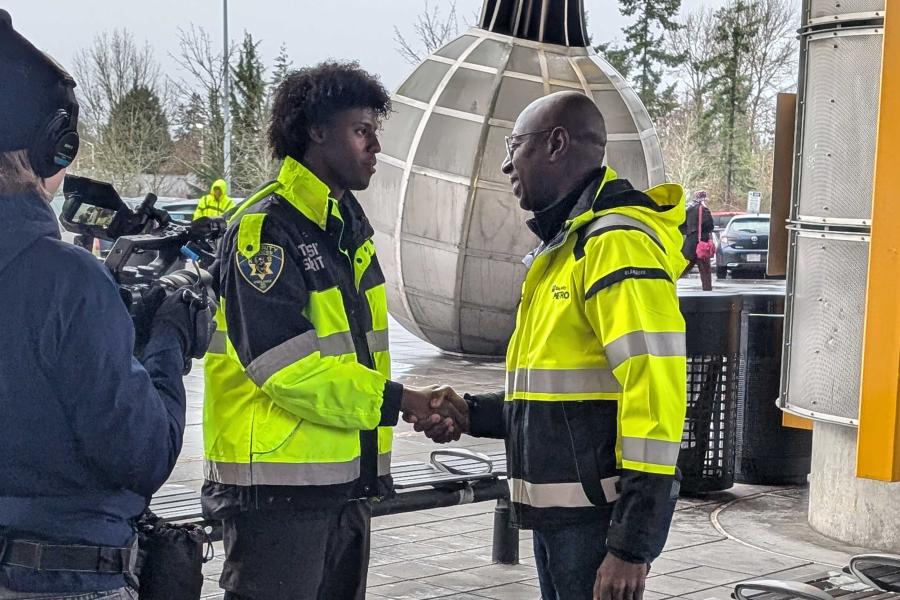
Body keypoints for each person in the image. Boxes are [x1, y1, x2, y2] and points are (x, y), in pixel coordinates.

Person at [201, 61, 466, 600]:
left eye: (375, 131)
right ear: (316, 132)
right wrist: (403, 401)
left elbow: (357, 359)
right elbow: (288, 369)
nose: (376, 147)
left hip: (343, 488)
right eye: (361, 130)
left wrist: (400, 408)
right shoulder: (266, 228)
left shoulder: (345, 226)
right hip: (275, 497)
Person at [413, 91, 688, 600]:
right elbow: (563, 393)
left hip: (596, 525)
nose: (504, 162)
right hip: (565, 519)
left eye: (514, 145)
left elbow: (657, 397)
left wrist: (631, 545)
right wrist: (473, 413)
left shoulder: (613, 245)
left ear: (556, 143)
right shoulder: (567, 247)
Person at [0, 11, 212, 599]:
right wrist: (165, 339)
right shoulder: (67, 282)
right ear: (52, 144)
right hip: (63, 576)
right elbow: (140, 454)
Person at [680, 190, 715, 290]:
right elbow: (710, 227)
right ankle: (707, 290)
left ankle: (669, 283)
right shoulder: (704, 210)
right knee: (705, 270)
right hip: (701, 244)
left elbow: (682, 226)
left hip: (690, 244)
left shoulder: (688, 209)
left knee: (683, 267)